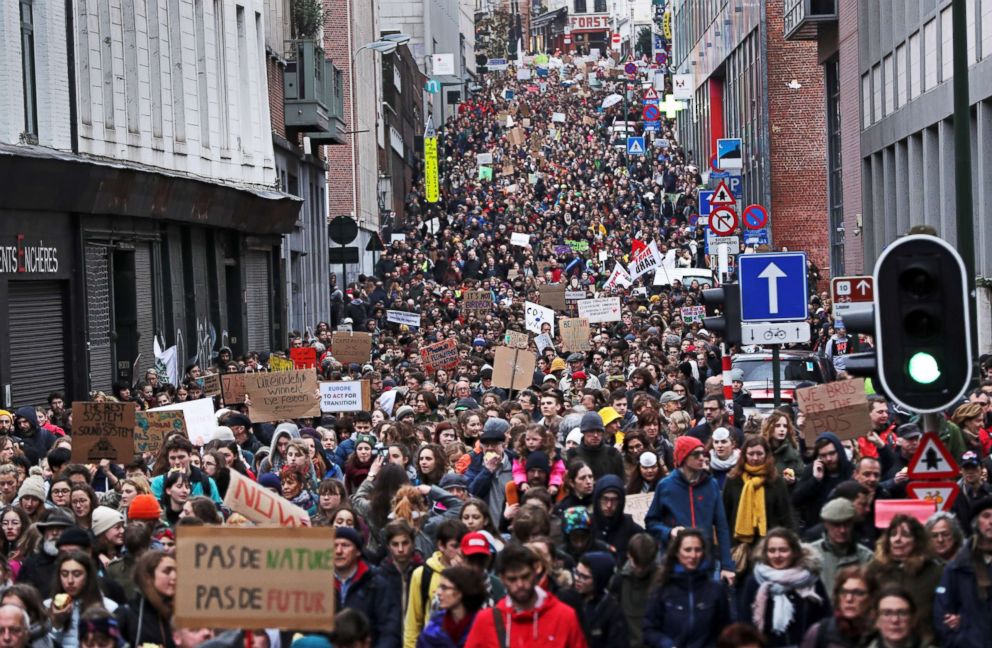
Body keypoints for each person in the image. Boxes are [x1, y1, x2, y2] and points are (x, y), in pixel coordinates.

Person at [644, 436, 735, 581]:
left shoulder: (711, 485)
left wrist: (727, 565)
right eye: (696, 454)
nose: (701, 458)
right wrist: (669, 532)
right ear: (683, 457)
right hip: (674, 562)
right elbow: (651, 522)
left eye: (703, 454)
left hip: (705, 560)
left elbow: (722, 526)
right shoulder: (666, 486)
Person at [464, 543, 587, 648]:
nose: (520, 584)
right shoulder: (486, 621)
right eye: (512, 579)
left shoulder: (564, 617)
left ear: (536, 570)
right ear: (502, 578)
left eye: (525, 576)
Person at [740, 528, 832, 647]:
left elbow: (825, 620)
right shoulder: (754, 582)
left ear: (794, 552)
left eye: (783, 550)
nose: (777, 555)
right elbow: (745, 622)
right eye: (771, 551)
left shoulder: (811, 580)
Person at [642, 528, 731, 648]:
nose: (693, 555)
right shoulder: (663, 589)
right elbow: (649, 629)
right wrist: (666, 645)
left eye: (698, 550)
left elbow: (726, 631)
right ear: (677, 552)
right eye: (687, 550)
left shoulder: (716, 590)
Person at [866, 515, 943, 642]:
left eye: (905, 535)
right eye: (893, 534)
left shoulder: (934, 572)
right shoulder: (874, 570)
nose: (898, 540)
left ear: (917, 541)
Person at [722, 436, 794, 561]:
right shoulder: (733, 480)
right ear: (744, 455)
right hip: (738, 547)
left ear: (766, 455)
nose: (755, 458)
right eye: (751, 454)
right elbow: (724, 515)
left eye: (759, 453)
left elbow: (785, 516)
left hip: (769, 547)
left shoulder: (776, 482)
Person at [934, 496, 992, 646]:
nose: (991, 521)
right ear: (976, 523)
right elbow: (943, 616)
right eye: (986, 516)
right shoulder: (957, 567)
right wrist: (961, 638)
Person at [332, 526, 400, 648]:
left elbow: (389, 629)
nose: (338, 551)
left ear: (358, 551)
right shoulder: (320, 585)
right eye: (334, 546)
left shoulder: (376, 584)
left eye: (345, 545)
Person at [404, 519, 468, 648]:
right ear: (441, 546)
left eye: (463, 546)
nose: (460, 551)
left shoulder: (471, 573)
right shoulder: (422, 574)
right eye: (455, 546)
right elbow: (413, 621)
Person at [44, 551, 118, 647]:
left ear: (88, 576)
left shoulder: (109, 607)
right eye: (64, 574)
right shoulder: (47, 605)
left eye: (77, 574)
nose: (70, 581)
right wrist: (56, 623)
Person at [809, 499, 875, 598]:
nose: (842, 530)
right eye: (836, 525)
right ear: (826, 524)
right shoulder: (811, 554)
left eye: (847, 524)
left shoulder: (866, 557)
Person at [800, 566, 876, 648]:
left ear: (872, 597)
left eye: (858, 593)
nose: (849, 599)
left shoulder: (881, 633)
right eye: (844, 592)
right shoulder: (820, 632)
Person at [792, 432, 854, 531]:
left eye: (832, 453)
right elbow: (796, 500)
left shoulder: (851, 470)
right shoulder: (812, 470)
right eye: (823, 455)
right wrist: (815, 480)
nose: (829, 459)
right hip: (816, 530)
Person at [416, 566, 488, 648]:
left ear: (461, 591)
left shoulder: (482, 626)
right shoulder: (433, 628)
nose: (438, 592)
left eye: (444, 588)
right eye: (439, 587)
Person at [115, 550, 175, 647]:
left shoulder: (180, 614)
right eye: (167, 571)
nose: (174, 576)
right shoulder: (126, 615)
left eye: (176, 571)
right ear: (148, 577)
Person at [573, 552, 627, 648]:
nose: (577, 579)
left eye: (584, 577)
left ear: (599, 579)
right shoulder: (569, 597)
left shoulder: (612, 610)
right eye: (576, 573)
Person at [589, 475, 643, 557]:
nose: (609, 505)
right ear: (597, 499)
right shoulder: (587, 525)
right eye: (605, 499)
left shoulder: (631, 529)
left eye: (614, 500)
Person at [566, 413, 624, 480]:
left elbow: (620, 481)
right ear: (584, 432)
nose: (595, 435)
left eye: (599, 431)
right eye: (591, 431)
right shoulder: (572, 454)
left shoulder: (613, 454)